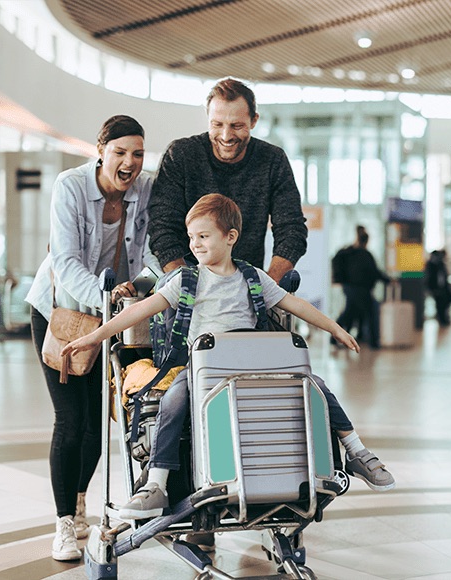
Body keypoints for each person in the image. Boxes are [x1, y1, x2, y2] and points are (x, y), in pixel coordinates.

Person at [63, 194, 395, 521]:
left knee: (316, 386)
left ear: (230, 237)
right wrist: (93, 336)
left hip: (252, 367)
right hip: (202, 369)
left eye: (204, 236)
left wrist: (335, 328)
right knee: (173, 399)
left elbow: (297, 306)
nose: (195, 244)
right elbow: (139, 311)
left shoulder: (253, 278)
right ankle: (156, 483)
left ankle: (355, 451)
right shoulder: (186, 281)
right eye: (192, 237)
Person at [23, 115, 156, 561]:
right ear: (101, 150)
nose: (129, 162)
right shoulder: (71, 185)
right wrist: (104, 298)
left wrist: (137, 289)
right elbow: (63, 258)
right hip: (60, 312)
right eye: (120, 152)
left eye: (137, 153)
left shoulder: (147, 189)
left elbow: (154, 252)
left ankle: (81, 504)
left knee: (99, 426)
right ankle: (63, 523)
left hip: (110, 318)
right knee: (70, 420)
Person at [149, 78, 307, 283]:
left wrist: (267, 286)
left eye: (237, 126)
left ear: (254, 121)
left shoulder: (272, 160)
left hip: (247, 287)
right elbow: (162, 228)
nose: (226, 135)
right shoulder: (180, 155)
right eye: (217, 124)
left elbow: (291, 229)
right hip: (185, 286)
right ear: (208, 119)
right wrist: (186, 285)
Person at [333, 226, 390, 347]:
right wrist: (388, 280)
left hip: (349, 288)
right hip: (361, 289)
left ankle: (335, 337)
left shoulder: (347, 253)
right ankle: (374, 342)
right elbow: (375, 272)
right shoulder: (364, 255)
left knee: (349, 313)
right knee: (369, 313)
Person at [424, 249, 451, 326]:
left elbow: (445, 276)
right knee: (439, 304)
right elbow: (428, 278)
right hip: (436, 288)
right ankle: (442, 319)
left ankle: (444, 319)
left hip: (443, 288)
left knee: (446, 302)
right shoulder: (431, 265)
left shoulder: (441, 264)